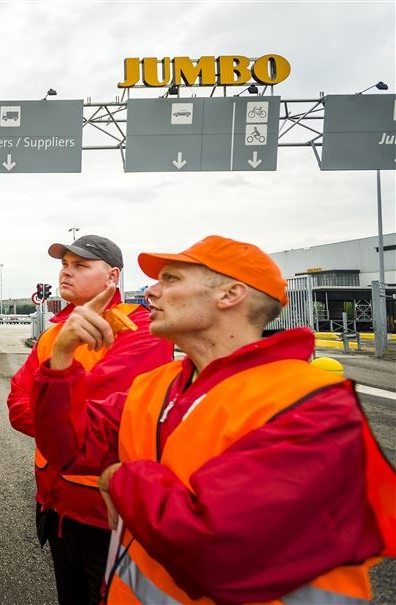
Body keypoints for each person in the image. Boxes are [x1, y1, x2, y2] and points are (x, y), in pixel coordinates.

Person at [32, 235, 394, 604]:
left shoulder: (313, 405)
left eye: (170, 279)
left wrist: (117, 477)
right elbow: (68, 448)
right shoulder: (157, 386)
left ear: (230, 294)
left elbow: (213, 546)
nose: (151, 292)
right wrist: (61, 361)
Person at [7, 234, 172, 605]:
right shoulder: (55, 333)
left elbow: (104, 415)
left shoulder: (139, 328)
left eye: (80, 265)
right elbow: (17, 404)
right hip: (54, 506)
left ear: (112, 276)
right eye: (64, 265)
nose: (66, 273)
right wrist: (62, 419)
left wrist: (58, 413)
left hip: (105, 513)